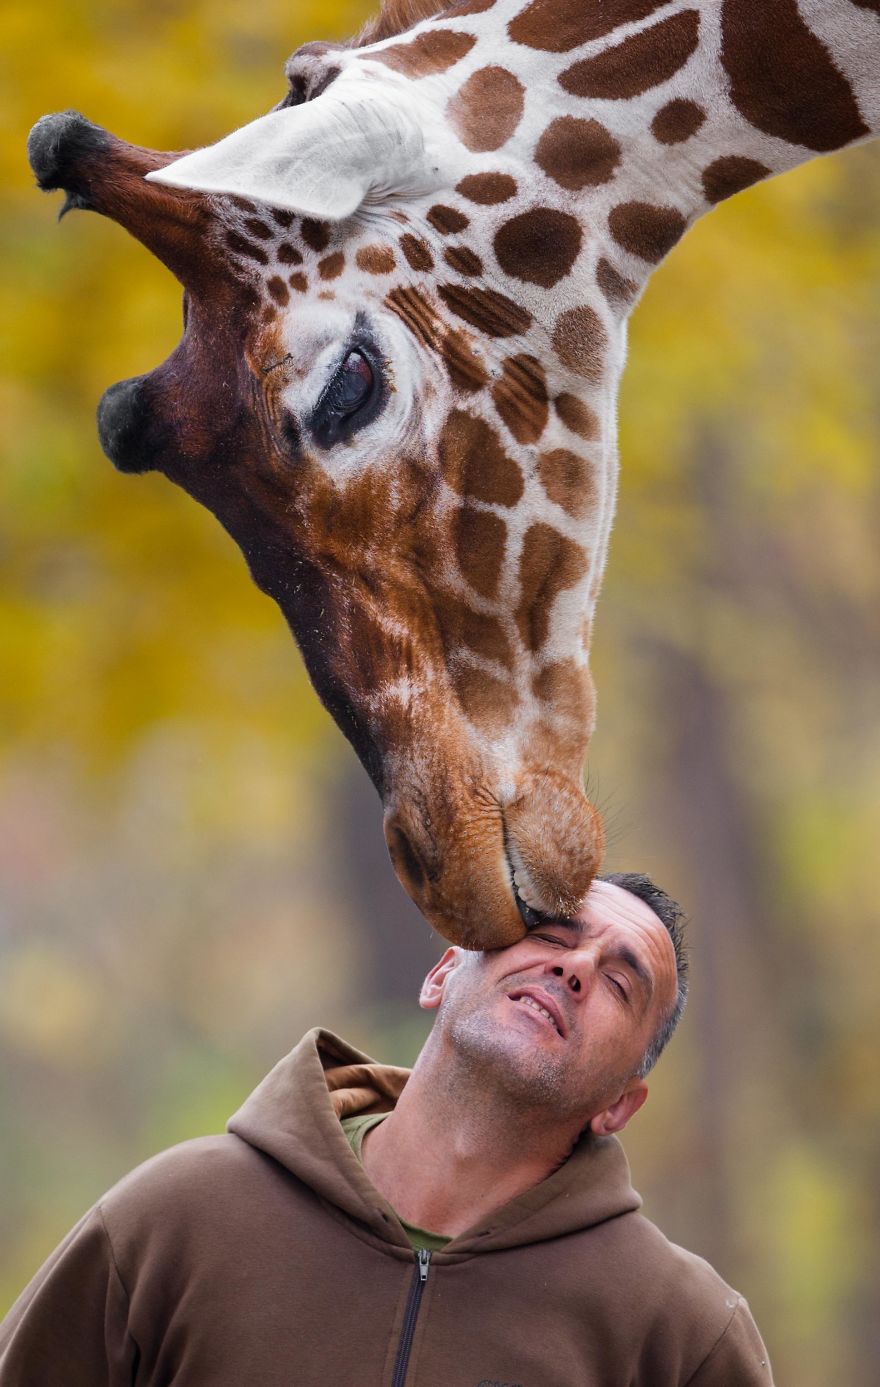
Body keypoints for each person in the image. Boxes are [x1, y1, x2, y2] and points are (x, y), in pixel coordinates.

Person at [0, 872, 773, 1385]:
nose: (574, 967)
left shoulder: (682, 1336)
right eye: (551, 934)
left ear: (619, 1107)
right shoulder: (176, 1219)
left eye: (618, 980)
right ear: (443, 973)